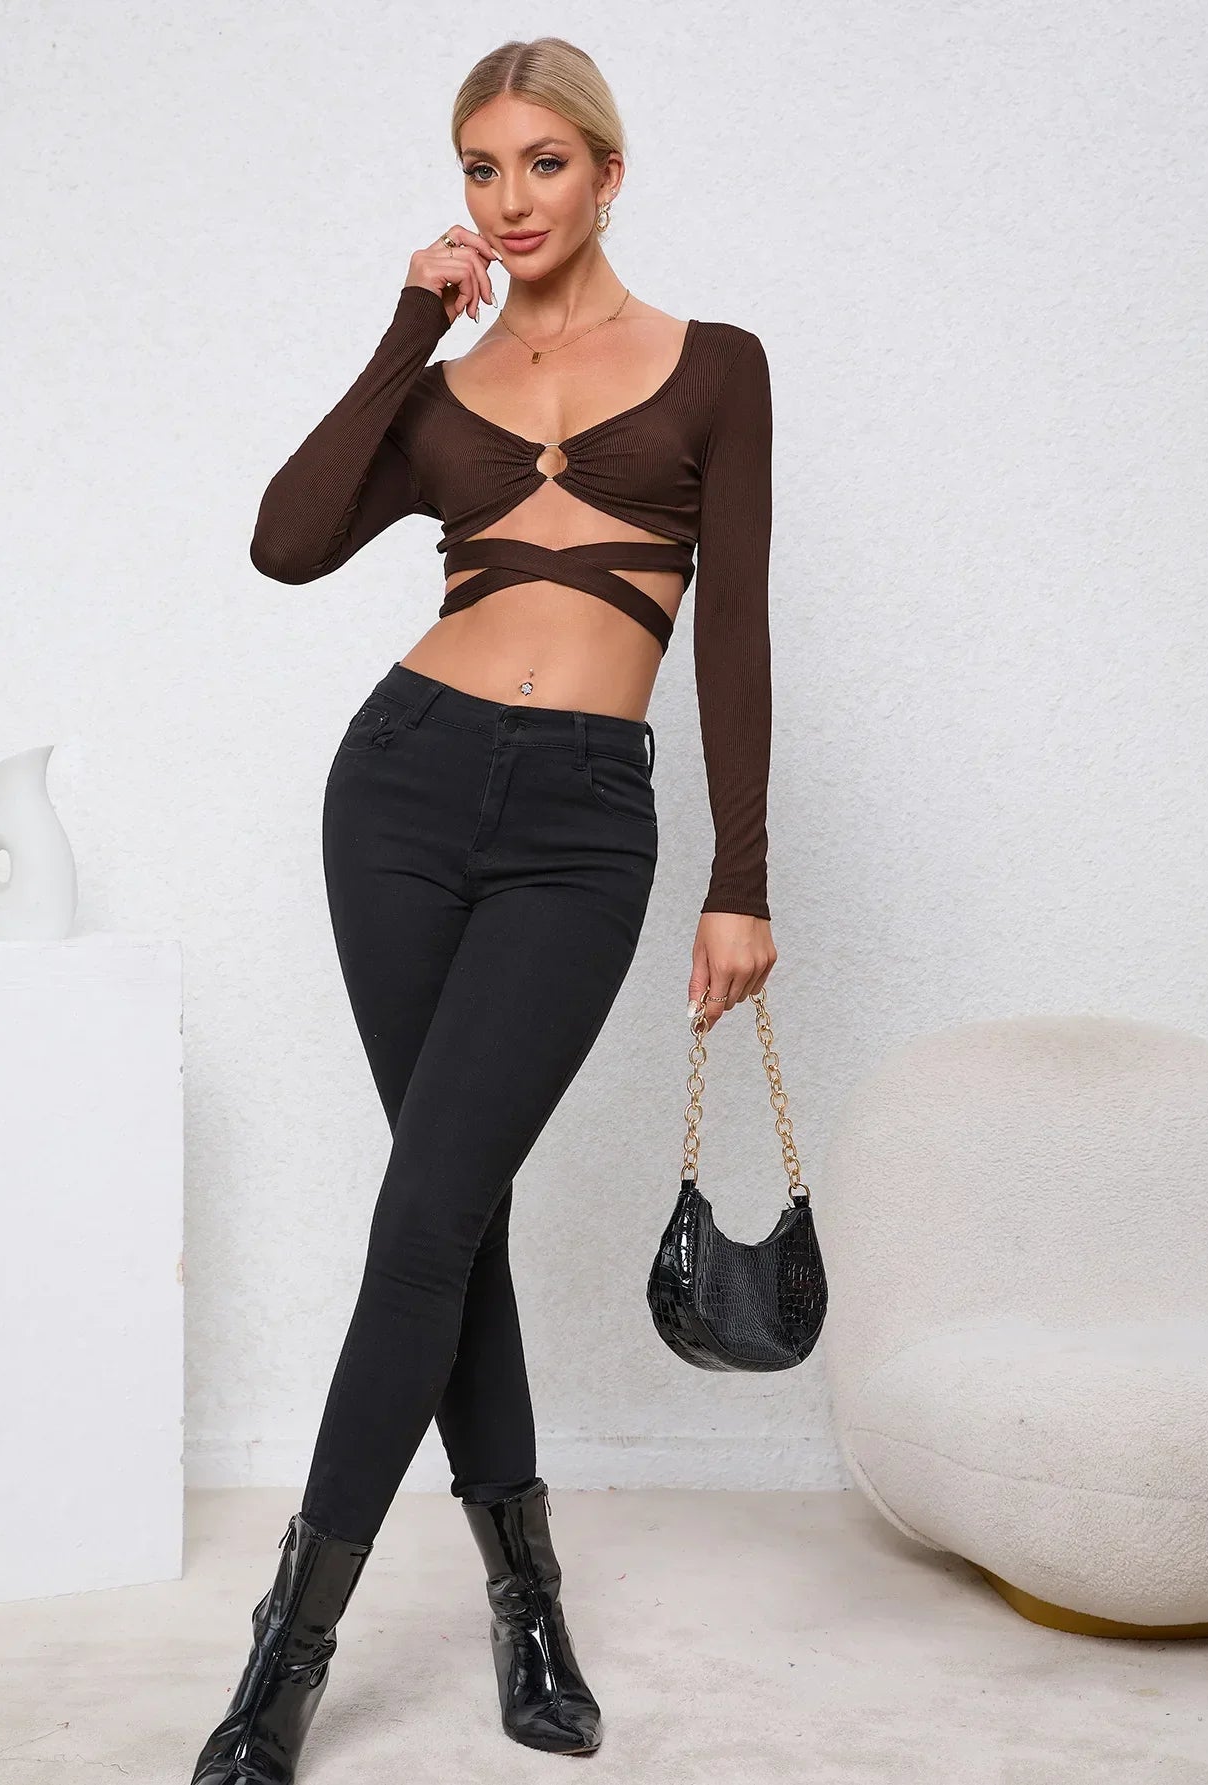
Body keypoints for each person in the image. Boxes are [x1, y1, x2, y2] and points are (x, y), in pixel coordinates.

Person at [189, 33, 777, 1784]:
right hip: (401, 788)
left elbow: (735, 627)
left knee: (429, 1215)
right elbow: (287, 540)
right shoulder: (443, 392)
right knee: (448, 1215)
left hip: (582, 826)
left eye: (542, 163)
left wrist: (741, 879)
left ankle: (297, 1649)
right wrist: (405, 328)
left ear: (608, 172)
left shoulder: (717, 366)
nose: (509, 199)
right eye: (479, 168)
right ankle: (491, 1613)